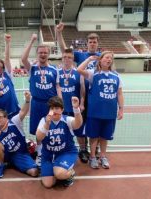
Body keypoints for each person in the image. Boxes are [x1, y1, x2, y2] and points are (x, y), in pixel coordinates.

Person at [56, 23, 101, 162]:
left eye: (94, 42)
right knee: (79, 123)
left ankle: (96, 148)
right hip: (82, 96)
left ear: (98, 43)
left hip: (95, 97)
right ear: (87, 43)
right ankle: (82, 149)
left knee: (94, 123)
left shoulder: (101, 57)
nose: (92, 44)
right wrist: (59, 33)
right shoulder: (81, 55)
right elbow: (65, 50)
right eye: (90, 42)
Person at [77, 51, 124, 169]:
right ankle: (92, 157)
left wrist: (121, 109)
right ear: (101, 59)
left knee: (105, 136)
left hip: (110, 112)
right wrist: (89, 60)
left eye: (111, 58)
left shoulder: (116, 76)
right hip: (95, 112)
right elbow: (79, 69)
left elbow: (119, 94)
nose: (109, 60)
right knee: (94, 136)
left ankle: (103, 156)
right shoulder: (94, 73)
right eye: (106, 57)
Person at [21, 33, 62, 166]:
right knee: (39, 131)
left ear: (48, 54)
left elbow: (57, 87)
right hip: (36, 103)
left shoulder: (55, 70)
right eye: (40, 53)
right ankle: (39, 154)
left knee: (51, 129)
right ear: (37, 54)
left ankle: (50, 152)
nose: (43, 55)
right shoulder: (32, 68)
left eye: (45, 52)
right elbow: (23, 58)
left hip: (51, 105)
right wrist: (32, 40)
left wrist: (60, 104)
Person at [36, 96, 83, 188]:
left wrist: (76, 109)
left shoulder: (67, 120)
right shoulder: (44, 121)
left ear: (62, 110)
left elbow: (78, 124)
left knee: (59, 174)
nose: (54, 111)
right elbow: (39, 137)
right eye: (52, 108)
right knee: (48, 184)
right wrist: (47, 124)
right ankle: (58, 168)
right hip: (48, 155)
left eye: (57, 108)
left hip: (66, 152)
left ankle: (70, 172)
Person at [0, 91, 38, 179]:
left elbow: (23, 111)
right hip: (7, 156)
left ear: (6, 118)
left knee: (34, 172)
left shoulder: (14, 122)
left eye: (0, 117)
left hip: (20, 154)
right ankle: (2, 165)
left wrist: (27, 100)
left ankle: (16, 164)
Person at [58, 48, 89, 162]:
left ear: (73, 59)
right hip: (62, 108)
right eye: (65, 57)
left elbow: (82, 89)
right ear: (62, 58)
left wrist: (81, 103)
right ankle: (64, 150)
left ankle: (83, 150)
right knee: (63, 130)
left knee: (79, 130)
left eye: (69, 57)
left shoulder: (78, 72)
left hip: (75, 108)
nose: (67, 59)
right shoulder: (57, 72)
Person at [0, 34, 20, 129]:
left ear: (3, 68)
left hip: (12, 111)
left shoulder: (7, 75)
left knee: (14, 132)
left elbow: (6, 58)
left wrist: (7, 43)